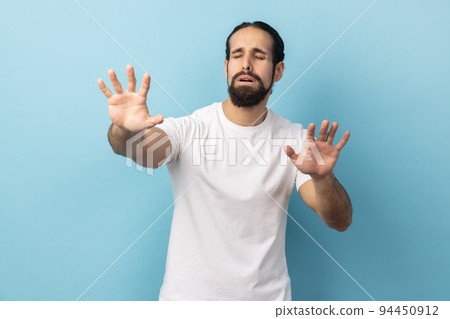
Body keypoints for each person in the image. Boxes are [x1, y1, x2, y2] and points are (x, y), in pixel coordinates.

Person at [97, 21, 352, 301]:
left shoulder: (297, 141)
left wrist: (322, 177)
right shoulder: (189, 128)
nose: (246, 64)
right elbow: (135, 150)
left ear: (277, 71)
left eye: (259, 56)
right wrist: (126, 130)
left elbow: (339, 221)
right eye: (238, 55)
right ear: (226, 66)